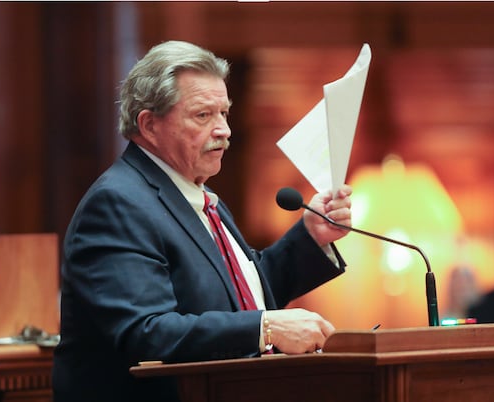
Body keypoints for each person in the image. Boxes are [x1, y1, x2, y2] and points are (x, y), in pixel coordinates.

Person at [52, 40, 353, 402]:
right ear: (149, 125)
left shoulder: (200, 196)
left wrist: (310, 236)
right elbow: (146, 332)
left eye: (224, 113)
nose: (224, 129)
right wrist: (267, 328)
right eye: (203, 115)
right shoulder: (117, 203)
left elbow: (238, 295)